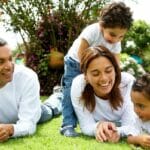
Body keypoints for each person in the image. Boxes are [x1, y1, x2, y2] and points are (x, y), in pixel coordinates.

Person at [61, 1, 133, 137]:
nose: (116, 39)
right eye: (112, 34)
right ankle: (68, 125)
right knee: (69, 91)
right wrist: (87, 75)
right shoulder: (93, 30)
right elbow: (82, 52)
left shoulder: (116, 41)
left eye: (121, 36)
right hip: (76, 62)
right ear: (102, 25)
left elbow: (116, 62)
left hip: (96, 67)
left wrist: (116, 76)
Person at [0, 38, 62, 142]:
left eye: (10, 59)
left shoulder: (27, 77)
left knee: (49, 110)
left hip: (31, 111)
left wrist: (11, 129)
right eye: (1, 61)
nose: (8, 66)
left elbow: (28, 124)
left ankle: (59, 95)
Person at [71, 46, 136, 142]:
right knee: (59, 103)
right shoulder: (79, 85)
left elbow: (131, 125)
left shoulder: (128, 83)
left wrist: (117, 131)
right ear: (86, 76)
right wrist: (98, 127)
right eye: (96, 74)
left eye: (108, 71)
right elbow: (86, 125)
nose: (104, 78)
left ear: (115, 70)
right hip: (70, 97)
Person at [127, 73, 150, 148]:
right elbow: (129, 138)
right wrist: (138, 139)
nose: (136, 110)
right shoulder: (139, 121)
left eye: (141, 106)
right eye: (134, 104)